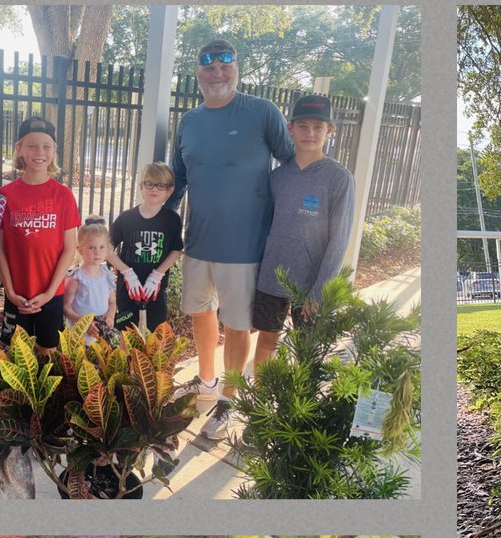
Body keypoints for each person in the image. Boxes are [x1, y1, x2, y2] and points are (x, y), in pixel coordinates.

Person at [169, 39, 295, 439]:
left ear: (237, 69)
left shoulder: (262, 112)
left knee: (237, 324)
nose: (217, 72)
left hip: (245, 246)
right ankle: (206, 381)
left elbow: (292, 165)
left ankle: (229, 400)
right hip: (198, 242)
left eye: (226, 64)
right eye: (208, 66)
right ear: (198, 74)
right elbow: (177, 181)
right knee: (200, 313)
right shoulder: (189, 121)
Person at [252, 94, 355, 349]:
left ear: (329, 131)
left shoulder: (338, 178)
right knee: (266, 340)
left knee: (307, 348)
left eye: (318, 127)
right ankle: (264, 390)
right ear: (290, 128)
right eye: (303, 126)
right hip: (271, 277)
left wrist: (319, 292)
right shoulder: (277, 177)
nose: (310, 133)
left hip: (310, 283)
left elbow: (339, 240)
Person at [0, 116, 81, 355]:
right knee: (16, 355)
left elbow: (69, 250)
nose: (39, 152)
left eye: (46, 146)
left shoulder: (63, 196)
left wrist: (49, 293)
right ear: (19, 148)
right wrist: (10, 293)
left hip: (51, 294)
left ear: (54, 150)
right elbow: (0, 249)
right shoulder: (5, 194)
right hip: (17, 294)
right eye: (32, 145)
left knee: (48, 354)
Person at [105, 162, 184, 335]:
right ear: (141, 186)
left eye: (161, 185)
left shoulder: (172, 220)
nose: (154, 189)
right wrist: (127, 272)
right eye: (149, 183)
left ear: (169, 190)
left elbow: (177, 249)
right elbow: (106, 249)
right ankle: (127, 362)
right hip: (128, 290)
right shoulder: (126, 218)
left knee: (156, 335)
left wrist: (158, 274)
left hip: (155, 290)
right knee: (127, 333)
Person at [63, 217, 116, 341]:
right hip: (79, 339)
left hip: (102, 336)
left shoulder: (107, 275)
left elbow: (112, 302)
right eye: (91, 247)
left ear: (107, 248)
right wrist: (84, 323)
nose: (97, 252)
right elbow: (65, 308)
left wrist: (110, 316)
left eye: (102, 247)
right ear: (80, 249)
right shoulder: (76, 278)